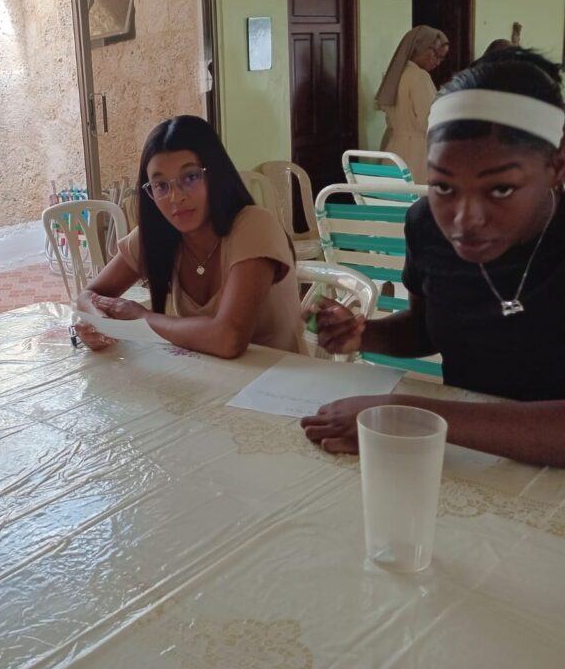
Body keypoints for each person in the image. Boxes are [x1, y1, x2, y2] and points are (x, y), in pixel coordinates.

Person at [303, 49, 565, 468]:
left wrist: (413, 415)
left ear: (557, 165)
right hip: (467, 461)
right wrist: (363, 334)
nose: (464, 220)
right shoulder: (427, 225)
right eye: (443, 187)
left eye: (500, 189)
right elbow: (427, 329)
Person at [75, 115, 304, 358]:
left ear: (215, 175)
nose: (176, 197)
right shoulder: (158, 234)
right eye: (161, 185)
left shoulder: (254, 225)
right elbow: (88, 295)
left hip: (282, 378)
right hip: (207, 375)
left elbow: (228, 339)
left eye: (190, 177)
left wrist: (143, 319)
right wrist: (98, 322)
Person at [376, 25, 450, 181]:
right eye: (435, 54)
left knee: (394, 194)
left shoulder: (393, 75)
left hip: (393, 149)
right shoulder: (419, 77)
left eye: (442, 58)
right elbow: (429, 122)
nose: (437, 62)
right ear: (419, 48)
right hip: (418, 153)